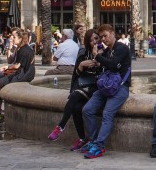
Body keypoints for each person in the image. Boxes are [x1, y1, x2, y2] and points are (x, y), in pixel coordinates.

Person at [80, 23, 132, 159]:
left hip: (121, 87)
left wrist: (97, 56)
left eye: (105, 36)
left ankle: (99, 146)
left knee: (107, 113)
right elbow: (104, 67)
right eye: (101, 37)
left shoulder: (122, 48)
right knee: (87, 110)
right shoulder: (108, 51)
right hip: (106, 86)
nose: (103, 39)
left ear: (113, 33)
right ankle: (92, 140)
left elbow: (113, 64)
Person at [46, 29, 101, 151]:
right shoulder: (83, 52)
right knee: (76, 107)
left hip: (96, 87)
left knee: (75, 96)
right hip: (83, 85)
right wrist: (82, 66)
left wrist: (98, 60)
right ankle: (82, 138)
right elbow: (76, 74)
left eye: (96, 39)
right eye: (91, 40)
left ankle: (60, 127)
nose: (94, 42)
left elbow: (106, 70)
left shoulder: (103, 52)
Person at [0, 28, 35, 112]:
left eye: (14, 37)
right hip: (23, 73)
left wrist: (7, 68)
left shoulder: (24, 50)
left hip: (22, 75)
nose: (11, 38)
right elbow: (13, 62)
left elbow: (17, 66)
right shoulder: (23, 48)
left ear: (20, 39)